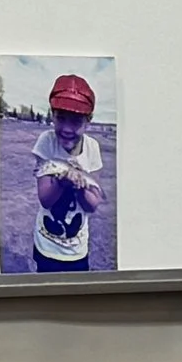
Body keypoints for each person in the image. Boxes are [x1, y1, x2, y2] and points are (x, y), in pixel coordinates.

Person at [32, 73, 107, 271]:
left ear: (88, 121)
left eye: (75, 121)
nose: (66, 128)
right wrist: (61, 183)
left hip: (77, 251)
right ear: (52, 115)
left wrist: (81, 188)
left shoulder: (92, 148)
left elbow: (92, 205)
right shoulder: (46, 142)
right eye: (61, 118)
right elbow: (45, 200)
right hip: (46, 247)